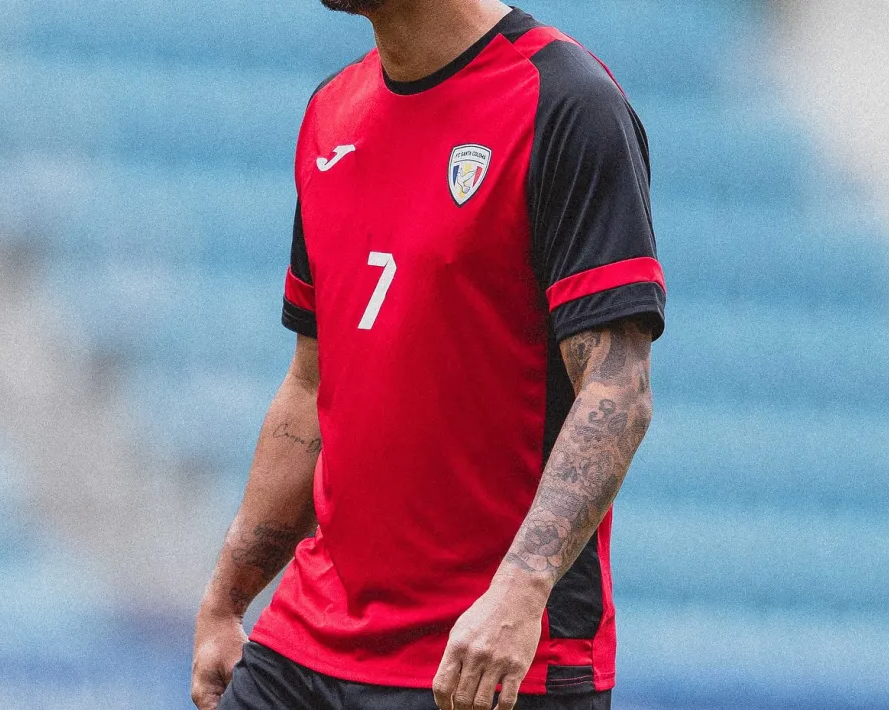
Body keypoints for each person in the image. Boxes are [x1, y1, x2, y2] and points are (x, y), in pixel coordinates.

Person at [191, 1, 665, 708]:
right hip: (303, 646)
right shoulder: (331, 113)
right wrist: (228, 594)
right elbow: (309, 385)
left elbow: (616, 387)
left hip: (481, 666)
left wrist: (519, 591)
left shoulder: (565, 103)